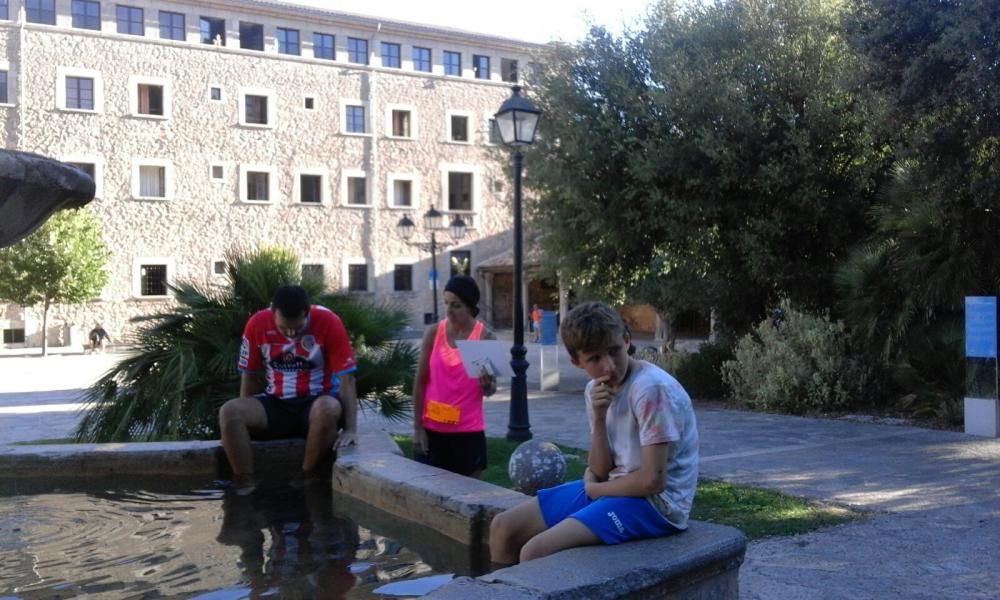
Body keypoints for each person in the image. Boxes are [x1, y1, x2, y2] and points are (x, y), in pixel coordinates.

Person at [489, 301, 699, 564]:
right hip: (614, 486)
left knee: (535, 552)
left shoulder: (650, 390)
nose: (609, 366)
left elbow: (652, 481)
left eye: (614, 351)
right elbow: (600, 469)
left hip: (657, 505)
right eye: (595, 358)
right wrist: (599, 419)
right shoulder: (596, 391)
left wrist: (596, 490)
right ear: (577, 361)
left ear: (626, 339)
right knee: (503, 528)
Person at [219, 285, 358, 494]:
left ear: (307, 313)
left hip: (316, 402)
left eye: (298, 328)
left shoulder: (328, 321)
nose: (291, 334)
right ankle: (245, 482)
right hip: (276, 403)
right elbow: (249, 375)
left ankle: (306, 475)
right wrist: (244, 423)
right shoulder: (257, 323)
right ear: (273, 313)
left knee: (327, 408)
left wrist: (350, 429)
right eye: (284, 328)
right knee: (229, 412)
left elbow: (347, 380)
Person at [412, 275, 497, 477]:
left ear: (469, 307)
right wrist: (417, 428)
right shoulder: (433, 333)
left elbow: (491, 389)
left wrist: (486, 384)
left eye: (456, 305)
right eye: (446, 304)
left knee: (470, 498)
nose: (449, 311)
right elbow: (420, 382)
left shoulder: (484, 337)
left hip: (468, 432)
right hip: (432, 431)